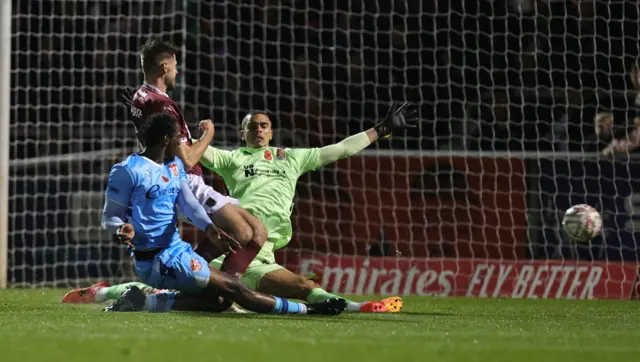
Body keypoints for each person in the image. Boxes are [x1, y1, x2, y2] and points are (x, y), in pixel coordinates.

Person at [63, 104, 416, 313]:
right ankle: (350, 306)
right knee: (276, 288)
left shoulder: (292, 158)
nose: (259, 129)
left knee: (206, 297)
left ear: (272, 131)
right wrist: (152, 108)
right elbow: (186, 148)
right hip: (240, 244)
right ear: (243, 132)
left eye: (264, 125)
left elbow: (338, 149)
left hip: (265, 248)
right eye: (252, 126)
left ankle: (109, 292)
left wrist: (380, 130)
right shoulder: (231, 158)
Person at [101, 111, 345, 315]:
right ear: (167, 140)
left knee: (218, 303)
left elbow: (190, 205)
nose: (182, 142)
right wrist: (120, 227)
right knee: (236, 289)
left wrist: (210, 228)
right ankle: (308, 310)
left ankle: (143, 301)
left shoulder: (173, 167)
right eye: (179, 138)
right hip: (157, 260)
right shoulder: (127, 169)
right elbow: (109, 216)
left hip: (178, 251)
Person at [128, 37, 267, 278]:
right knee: (243, 232)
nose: (178, 71)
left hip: (170, 179)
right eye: (175, 66)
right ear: (164, 68)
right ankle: (188, 279)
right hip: (185, 182)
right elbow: (188, 159)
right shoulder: (163, 105)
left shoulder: (140, 97)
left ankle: (222, 288)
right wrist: (207, 135)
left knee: (259, 230)